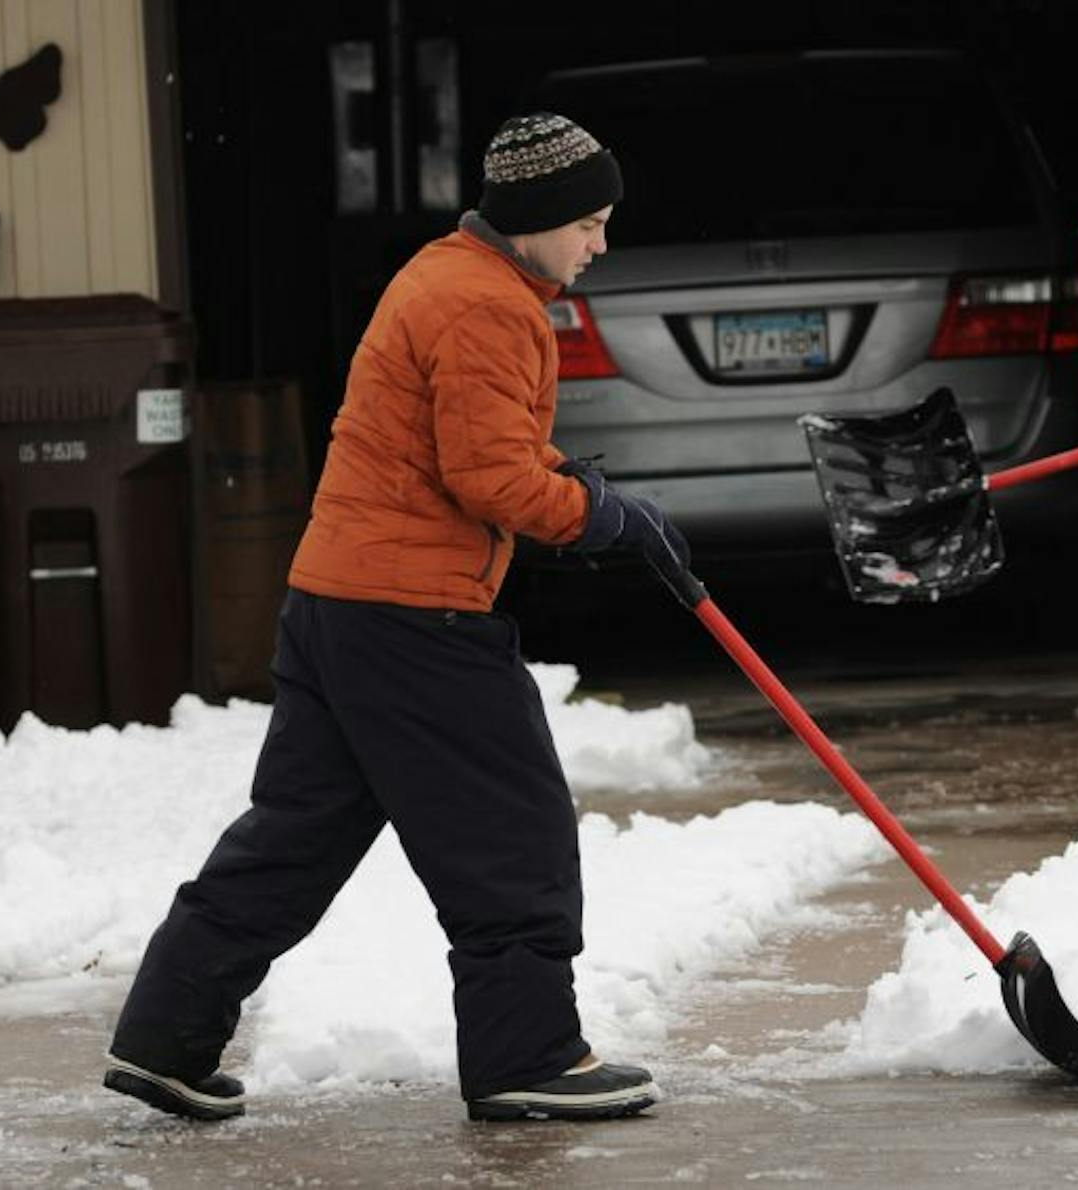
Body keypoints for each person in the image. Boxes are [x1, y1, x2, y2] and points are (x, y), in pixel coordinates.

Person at [102, 112, 685, 1124]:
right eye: (589, 221)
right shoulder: (484, 306)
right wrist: (606, 516)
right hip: (416, 618)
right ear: (539, 217)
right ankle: (527, 1051)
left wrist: (580, 486)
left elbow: (464, 445)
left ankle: (165, 1037)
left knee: (294, 838)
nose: (601, 242)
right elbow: (489, 475)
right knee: (515, 832)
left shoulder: (447, 275)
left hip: (336, 600)